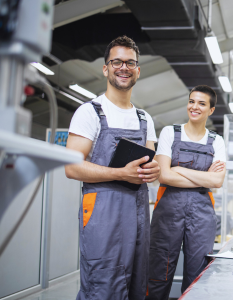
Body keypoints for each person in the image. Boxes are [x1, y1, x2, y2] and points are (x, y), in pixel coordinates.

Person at [65, 36, 160, 300]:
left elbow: (151, 167)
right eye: (116, 62)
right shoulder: (89, 112)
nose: (124, 67)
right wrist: (119, 173)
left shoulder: (145, 119)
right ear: (106, 68)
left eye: (130, 63)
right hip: (102, 212)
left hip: (139, 212)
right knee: (102, 285)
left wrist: (155, 173)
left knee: (136, 286)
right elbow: (71, 167)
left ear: (138, 70)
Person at [146, 85, 226, 300]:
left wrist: (179, 169)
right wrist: (202, 178)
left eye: (201, 103)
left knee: (197, 276)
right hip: (168, 214)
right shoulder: (170, 132)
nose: (194, 107)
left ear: (211, 110)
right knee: (158, 273)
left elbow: (217, 180)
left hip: (201, 216)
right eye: (191, 101)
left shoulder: (217, 141)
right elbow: (164, 176)